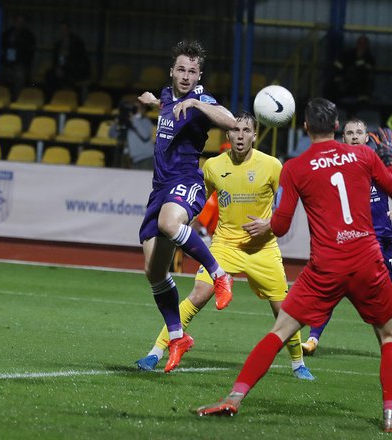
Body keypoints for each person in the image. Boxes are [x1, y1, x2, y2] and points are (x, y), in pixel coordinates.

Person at [195, 98, 392, 433]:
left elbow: (280, 226)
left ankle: (233, 398)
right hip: (367, 260)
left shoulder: (296, 167)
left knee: (280, 330)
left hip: (326, 265)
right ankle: (390, 415)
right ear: (337, 126)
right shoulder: (364, 155)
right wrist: (389, 161)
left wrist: (265, 225)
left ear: (306, 128)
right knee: (388, 336)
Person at [134, 111, 314, 380]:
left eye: (246, 131)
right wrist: (183, 224)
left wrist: (269, 223)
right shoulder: (213, 166)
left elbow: (288, 203)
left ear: (254, 136)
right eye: (235, 131)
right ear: (228, 133)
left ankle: (298, 364)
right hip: (225, 245)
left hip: (262, 249)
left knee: (283, 310)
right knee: (197, 295)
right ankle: (156, 351)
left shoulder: (272, 165)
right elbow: (196, 202)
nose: (240, 136)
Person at [136, 40, 237, 373]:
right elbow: (166, 103)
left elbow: (230, 120)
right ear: (172, 71)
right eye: (181, 69)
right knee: (154, 271)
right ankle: (177, 336)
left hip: (186, 181)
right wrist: (153, 101)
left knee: (169, 223)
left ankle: (220, 276)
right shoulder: (167, 95)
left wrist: (196, 103)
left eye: (192, 71)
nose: (186, 75)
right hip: (159, 189)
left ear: (199, 75)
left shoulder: (202, 100)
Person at [301, 118, 392, 365]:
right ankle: (313, 339)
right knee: (333, 289)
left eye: (360, 132)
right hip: (352, 242)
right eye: (350, 133)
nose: (355, 136)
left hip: (383, 240)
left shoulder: (374, 164)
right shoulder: (336, 168)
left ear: (368, 138)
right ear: (343, 138)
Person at [45, 21, 90, 94]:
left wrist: (69, 54)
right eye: (61, 30)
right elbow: (55, 60)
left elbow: (81, 59)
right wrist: (57, 68)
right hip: (61, 68)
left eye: (64, 29)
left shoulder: (77, 42)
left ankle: (68, 94)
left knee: (68, 73)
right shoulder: (58, 44)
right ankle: (51, 98)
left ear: (68, 30)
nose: (62, 32)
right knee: (49, 74)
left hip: (75, 68)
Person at [108, 98, 154, 169]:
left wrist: (134, 119)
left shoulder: (145, 121)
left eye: (139, 108)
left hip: (146, 158)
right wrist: (117, 121)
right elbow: (112, 135)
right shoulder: (127, 123)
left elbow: (145, 135)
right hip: (132, 160)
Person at [0, 14, 36, 97]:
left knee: (18, 75)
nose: (19, 24)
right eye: (18, 21)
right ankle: (2, 98)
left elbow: (29, 54)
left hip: (20, 64)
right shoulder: (8, 33)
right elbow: (1, 47)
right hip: (6, 63)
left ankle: (16, 98)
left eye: (21, 22)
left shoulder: (28, 35)